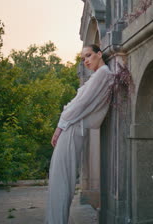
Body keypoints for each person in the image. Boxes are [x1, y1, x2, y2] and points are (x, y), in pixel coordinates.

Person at [45, 44, 114, 224]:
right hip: (72, 126)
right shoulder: (99, 75)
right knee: (59, 178)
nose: (86, 61)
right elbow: (79, 103)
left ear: (100, 54)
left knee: (62, 180)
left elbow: (80, 104)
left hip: (72, 127)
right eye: (83, 59)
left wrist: (60, 126)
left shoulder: (103, 73)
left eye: (89, 55)